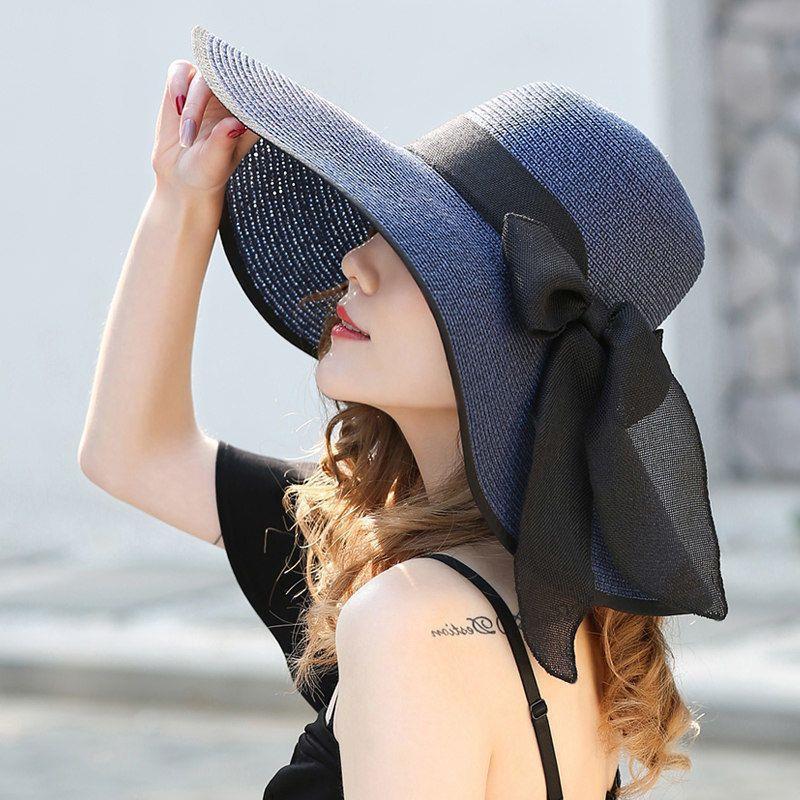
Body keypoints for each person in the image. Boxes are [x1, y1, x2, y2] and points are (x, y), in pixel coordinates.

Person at [79, 40, 718, 799]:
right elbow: (134, 455)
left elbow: (135, 456)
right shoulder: (561, 595)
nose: (355, 261)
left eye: (421, 252)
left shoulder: (412, 615)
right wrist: (182, 200)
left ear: (509, 337)